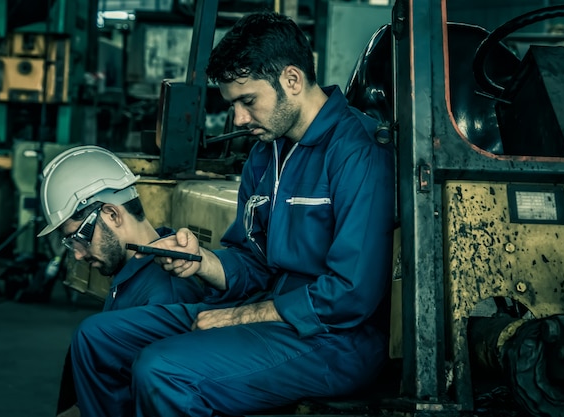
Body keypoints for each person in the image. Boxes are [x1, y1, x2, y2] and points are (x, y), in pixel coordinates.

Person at [69, 11, 395, 417]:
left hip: (334, 340)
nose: (239, 119)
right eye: (232, 104)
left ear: (292, 80)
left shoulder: (358, 151)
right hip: (270, 308)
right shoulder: (264, 154)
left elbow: (350, 294)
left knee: (164, 370)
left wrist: (237, 317)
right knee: (97, 338)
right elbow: (252, 262)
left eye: (248, 100)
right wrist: (202, 262)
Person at [36, 145, 205, 417]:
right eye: (70, 243)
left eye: (78, 238)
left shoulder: (168, 294)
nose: (78, 255)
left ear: (112, 214)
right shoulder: (133, 274)